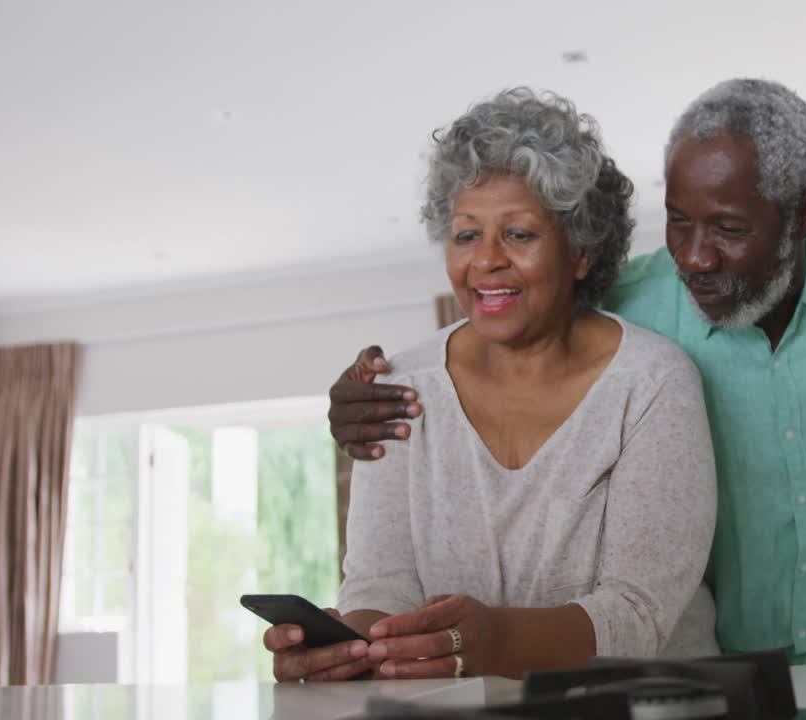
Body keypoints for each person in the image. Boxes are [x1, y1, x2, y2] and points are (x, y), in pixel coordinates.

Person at [329, 78, 806, 665]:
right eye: (678, 221)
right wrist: (358, 400)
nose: (695, 258)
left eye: (729, 229)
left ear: (802, 215)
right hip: (731, 673)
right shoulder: (635, 305)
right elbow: (523, 318)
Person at [264, 88, 720, 682]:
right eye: (466, 235)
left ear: (581, 251)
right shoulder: (399, 387)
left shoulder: (653, 383)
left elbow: (637, 615)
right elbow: (383, 583)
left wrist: (495, 638)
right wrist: (354, 646)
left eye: (520, 235)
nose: (486, 261)